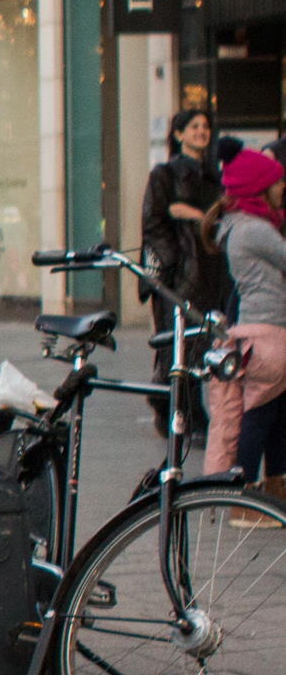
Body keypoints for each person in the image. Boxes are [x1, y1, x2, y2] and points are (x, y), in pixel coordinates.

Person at [200, 146, 286, 497]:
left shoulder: (243, 225)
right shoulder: (254, 230)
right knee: (260, 415)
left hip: (263, 327)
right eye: (278, 182)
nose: (283, 187)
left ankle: (276, 490)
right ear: (259, 188)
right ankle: (244, 495)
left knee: (276, 414)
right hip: (267, 331)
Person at [142, 109, 225, 434]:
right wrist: (172, 261)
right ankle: (181, 410)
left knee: (200, 342)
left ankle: (170, 403)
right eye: (194, 126)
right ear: (178, 134)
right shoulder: (164, 173)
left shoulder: (214, 175)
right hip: (180, 273)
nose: (201, 132)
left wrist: (194, 215)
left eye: (205, 127)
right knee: (179, 343)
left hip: (211, 269)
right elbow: (154, 219)